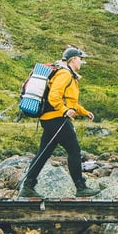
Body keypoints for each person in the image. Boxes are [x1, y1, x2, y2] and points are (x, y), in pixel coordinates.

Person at [18, 47, 101, 198]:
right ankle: (80, 187)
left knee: (44, 153)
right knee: (74, 151)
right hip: (57, 119)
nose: (81, 62)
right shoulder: (65, 74)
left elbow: (69, 102)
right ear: (73, 59)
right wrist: (64, 111)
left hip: (49, 119)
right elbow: (54, 97)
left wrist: (84, 112)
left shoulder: (67, 74)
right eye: (80, 59)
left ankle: (28, 186)